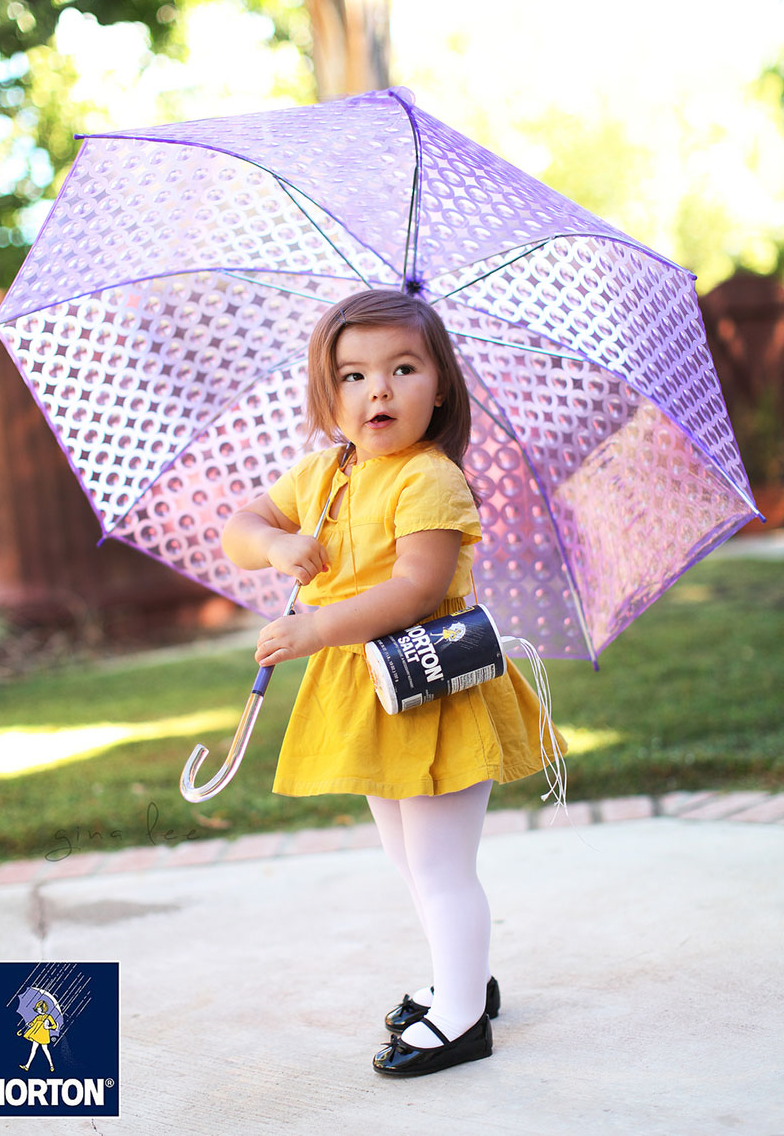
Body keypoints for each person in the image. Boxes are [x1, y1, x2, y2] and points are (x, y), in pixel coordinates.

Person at [222, 288, 565, 1077]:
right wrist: (277, 547)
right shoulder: (321, 474)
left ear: (439, 385)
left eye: (402, 368)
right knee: (406, 855)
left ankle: (463, 1018)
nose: (377, 390)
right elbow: (239, 526)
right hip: (372, 695)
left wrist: (314, 627)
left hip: (432, 683)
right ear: (327, 392)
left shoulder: (429, 480)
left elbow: (414, 587)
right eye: (353, 375)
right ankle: (462, 976)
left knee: (442, 862)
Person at [18, 1000, 57, 1072]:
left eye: (39, 1009)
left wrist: (48, 1027)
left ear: (43, 1008)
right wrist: (29, 1024)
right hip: (36, 1035)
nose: (38, 1010)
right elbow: (33, 1023)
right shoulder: (38, 1017)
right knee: (33, 1050)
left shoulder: (48, 1017)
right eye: (37, 1009)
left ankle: (51, 1065)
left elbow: (54, 1026)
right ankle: (27, 1066)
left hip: (43, 1036)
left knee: (45, 1050)